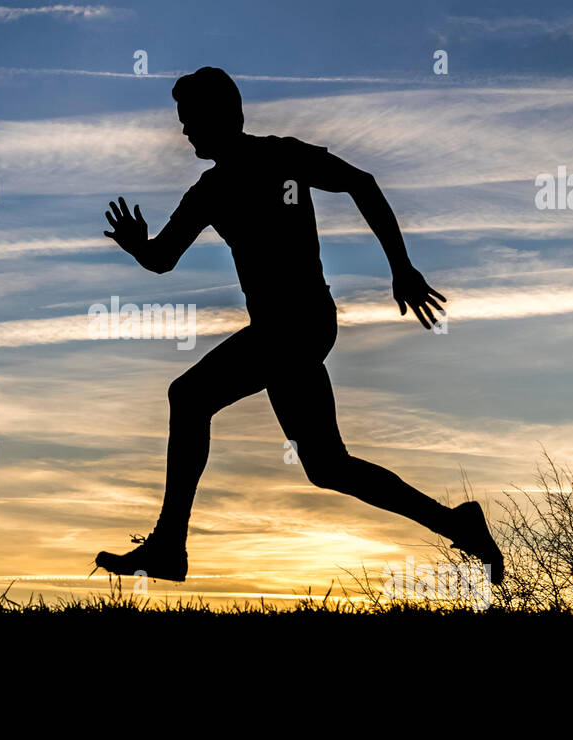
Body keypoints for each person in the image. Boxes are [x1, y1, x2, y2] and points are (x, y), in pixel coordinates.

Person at [96, 67, 502, 584]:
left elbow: (362, 183)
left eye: (190, 120)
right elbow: (162, 259)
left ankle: (169, 546)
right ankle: (459, 524)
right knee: (328, 466)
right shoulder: (209, 190)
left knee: (189, 396)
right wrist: (138, 246)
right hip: (282, 333)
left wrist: (401, 266)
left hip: (301, 323)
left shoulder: (280, 156)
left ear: (221, 115)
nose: (184, 132)